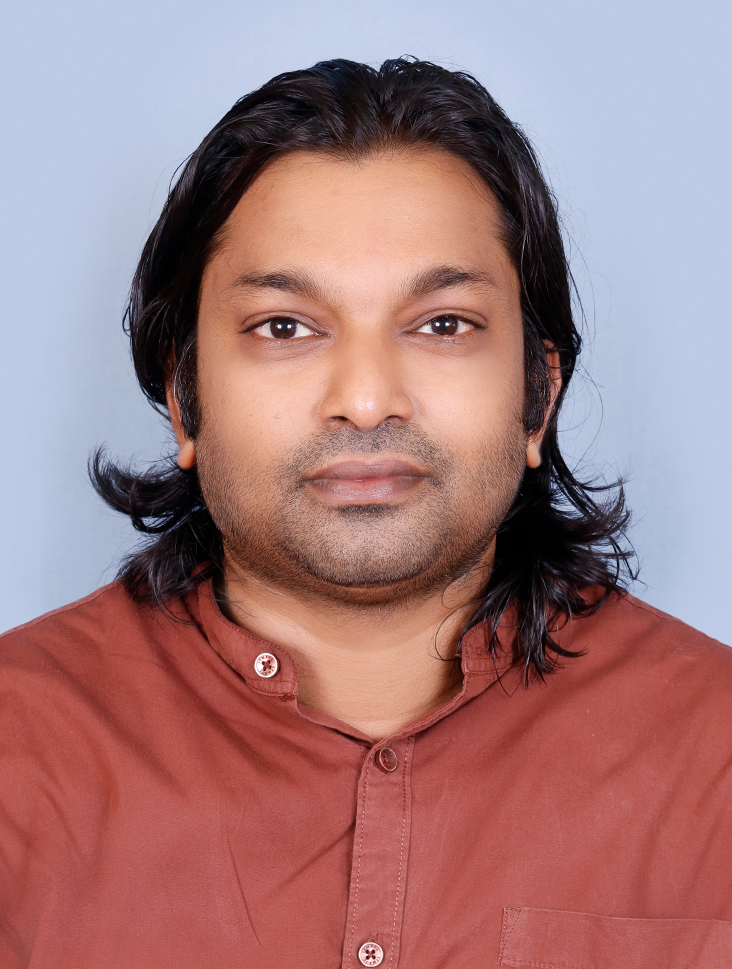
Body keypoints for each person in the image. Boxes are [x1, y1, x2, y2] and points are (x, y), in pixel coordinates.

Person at [1, 57, 731, 969]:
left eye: (442, 324)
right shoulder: (17, 748)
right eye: (285, 327)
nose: (366, 398)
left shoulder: (715, 752)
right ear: (184, 398)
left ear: (538, 398)